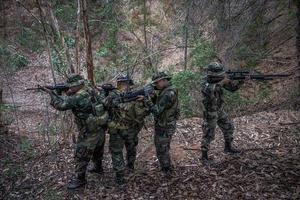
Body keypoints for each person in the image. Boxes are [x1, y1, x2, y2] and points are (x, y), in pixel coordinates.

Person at [47, 74, 108, 189]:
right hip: (99, 127)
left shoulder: (78, 97)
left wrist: (52, 94)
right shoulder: (90, 90)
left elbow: (61, 105)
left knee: (81, 155)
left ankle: (80, 180)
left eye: (71, 86)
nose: (70, 88)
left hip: (88, 131)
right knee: (98, 149)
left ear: (78, 85)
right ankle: (98, 167)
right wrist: (68, 92)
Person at [108, 74, 150, 184]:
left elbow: (105, 105)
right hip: (131, 129)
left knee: (117, 151)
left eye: (121, 83)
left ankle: (120, 176)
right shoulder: (138, 96)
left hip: (119, 129)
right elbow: (144, 113)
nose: (121, 85)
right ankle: (130, 166)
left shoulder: (113, 95)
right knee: (130, 147)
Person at [201, 62, 244, 165]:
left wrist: (241, 81)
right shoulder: (205, 81)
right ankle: (204, 157)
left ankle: (228, 148)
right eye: (218, 74)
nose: (220, 76)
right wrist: (223, 82)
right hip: (210, 112)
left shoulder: (219, 80)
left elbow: (232, 89)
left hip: (219, 109)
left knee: (229, 127)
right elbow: (209, 90)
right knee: (208, 134)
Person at [144, 72, 179, 177]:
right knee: (164, 146)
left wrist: (147, 100)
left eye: (157, 83)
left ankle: (167, 170)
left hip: (165, 125)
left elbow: (157, 110)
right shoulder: (167, 90)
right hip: (166, 123)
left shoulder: (168, 93)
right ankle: (167, 166)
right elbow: (161, 104)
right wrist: (153, 97)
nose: (155, 85)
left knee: (161, 148)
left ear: (164, 81)